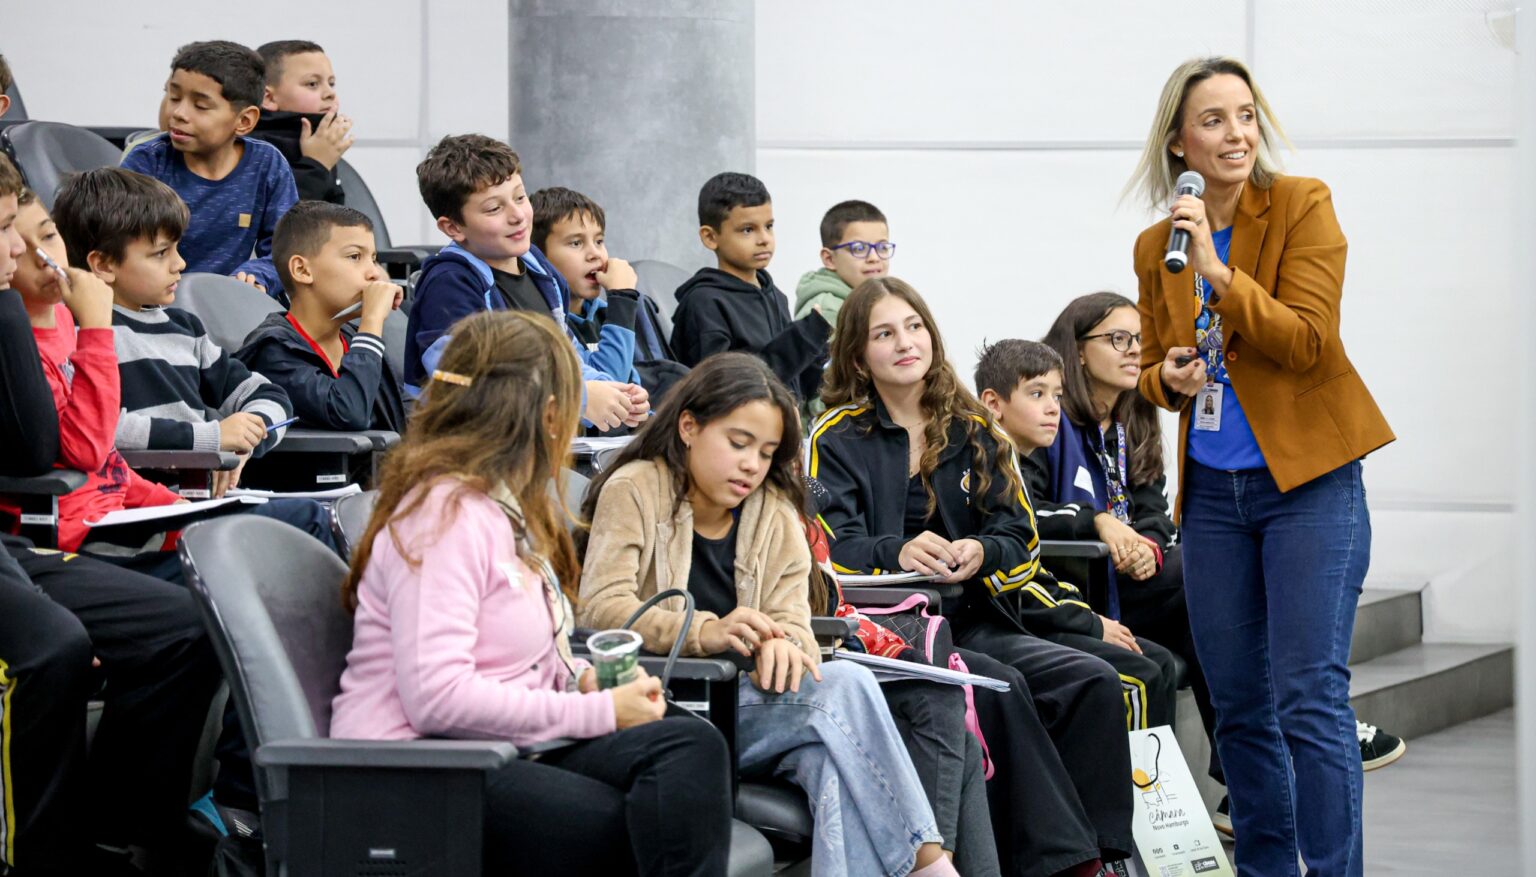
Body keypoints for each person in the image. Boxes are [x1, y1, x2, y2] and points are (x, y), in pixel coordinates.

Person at [330, 310, 733, 876]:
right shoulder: (442, 516)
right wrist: (592, 711)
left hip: (491, 749)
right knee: (623, 822)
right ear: (547, 416)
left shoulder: (501, 507)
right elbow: (437, 699)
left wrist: (578, 681)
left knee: (689, 747)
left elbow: (509, 661)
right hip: (418, 771)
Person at [1128, 56, 1395, 876]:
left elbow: (1307, 339)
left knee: (1309, 697)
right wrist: (1164, 379)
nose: (1237, 133)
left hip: (1310, 487)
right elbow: (1148, 364)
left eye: (1245, 114)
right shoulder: (1156, 243)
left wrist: (1218, 271)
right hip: (1212, 494)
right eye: (1214, 120)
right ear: (1179, 142)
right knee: (1239, 706)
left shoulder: (1302, 205)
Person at [579, 353, 961, 877]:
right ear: (688, 426)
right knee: (845, 687)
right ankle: (930, 864)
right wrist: (705, 633)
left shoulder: (773, 507)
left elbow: (794, 620)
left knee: (830, 765)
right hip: (670, 703)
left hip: (755, 707)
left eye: (765, 453)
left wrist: (784, 642)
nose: (751, 466)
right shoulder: (637, 489)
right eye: (738, 444)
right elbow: (602, 608)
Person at [809, 278, 1141, 873]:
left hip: (976, 617)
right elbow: (830, 549)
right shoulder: (834, 437)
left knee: (1090, 679)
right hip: (889, 631)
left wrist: (979, 551)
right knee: (1001, 687)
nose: (905, 343)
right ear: (859, 356)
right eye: (884, 334)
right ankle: (1066, 865)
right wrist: (900, 551)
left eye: (914, 327)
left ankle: (1107, 853)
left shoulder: (975, 430)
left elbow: (1020, 540)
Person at [0, 151, 221, 877]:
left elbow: (103, 463)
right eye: (7, 233)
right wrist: (94, 330)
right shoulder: (40, 325)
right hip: (43, 533)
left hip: (68, 529)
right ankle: (60, 846)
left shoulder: (56, 319)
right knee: (74, 642)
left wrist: (193, 511)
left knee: (198, 617)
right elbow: (66, 447)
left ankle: (133, 824)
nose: (28, 252)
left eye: (36, 234)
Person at [48, 168, 335, 573]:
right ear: (103, 264)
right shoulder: (82, 334)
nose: (180, 264)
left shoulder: (185, 329)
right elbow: (103, 432)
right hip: (137, 529)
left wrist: (249, 434)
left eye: (177, 249)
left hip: (197, 507)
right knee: (305, 522)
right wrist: (214, 437)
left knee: (326, 521)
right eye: (160, 253)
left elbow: (270, 396)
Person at [403, 134, 647, 431]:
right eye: (495, 208)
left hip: (534, 450)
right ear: (453, 227)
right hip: (468, 458)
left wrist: (613, 393)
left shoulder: (540, 269)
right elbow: (463, 385)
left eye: (520, 197)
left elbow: (567, 363)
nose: (517, 215)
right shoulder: (449, 284)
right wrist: (578, 398)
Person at [122, 40, 298, 299]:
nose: (179, 113)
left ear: (244, 121)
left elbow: (286, 249)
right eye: (173, 97)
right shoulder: (147, 162)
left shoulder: (267, 165)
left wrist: (258, 275)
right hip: (155, 303)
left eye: (200, 106)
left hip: (228, 304)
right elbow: (123, 246)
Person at [236, 200, 406, 433]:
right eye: (355, 256)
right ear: (302, 270)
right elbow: (348, 412)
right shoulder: (273, 352)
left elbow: (407, 416)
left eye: (373, 258)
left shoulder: (352, 339)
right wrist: (372, 321)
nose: (374, 273)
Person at [669, 172, 831, 402]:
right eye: (748, 229)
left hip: (783, 432)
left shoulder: (776, 297)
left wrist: (821, 352)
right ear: (710, 237)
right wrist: (801, 339)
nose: (764, 238)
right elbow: (724, 393)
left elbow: (800, 385)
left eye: (769, 226)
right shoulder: (704, 304)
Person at [531, 185, 689, 401]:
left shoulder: (607, 314)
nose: (595, 254)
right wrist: (622, 299)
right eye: (576, 243)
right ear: (538, 256)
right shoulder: (548, 324)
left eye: (599, 241)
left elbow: (632, 390)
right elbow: (609, 390)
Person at [253, 40, 352, 204]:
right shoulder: (251, 150)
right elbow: (279, 220)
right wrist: (315, 166)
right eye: (312, 84)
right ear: (268, 98)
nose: (330, 93)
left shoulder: (321, 146)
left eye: (331, 83)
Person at [793, 199, 896, 332]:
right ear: (829, 259)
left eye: (882, 247)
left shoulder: (877, 299)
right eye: (859, 248)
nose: (874, 258)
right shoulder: (826, 312)